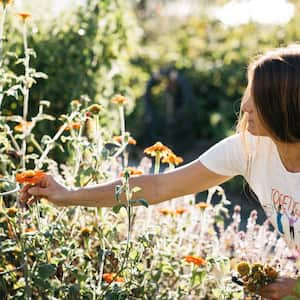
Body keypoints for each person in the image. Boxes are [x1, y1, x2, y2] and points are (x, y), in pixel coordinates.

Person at [21, 45, 300, 300]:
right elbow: (158, 187)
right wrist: (68, 195)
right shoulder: (248, 149)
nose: (246, 106)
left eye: (259, 97)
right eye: (249, 93)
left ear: (287, 105)